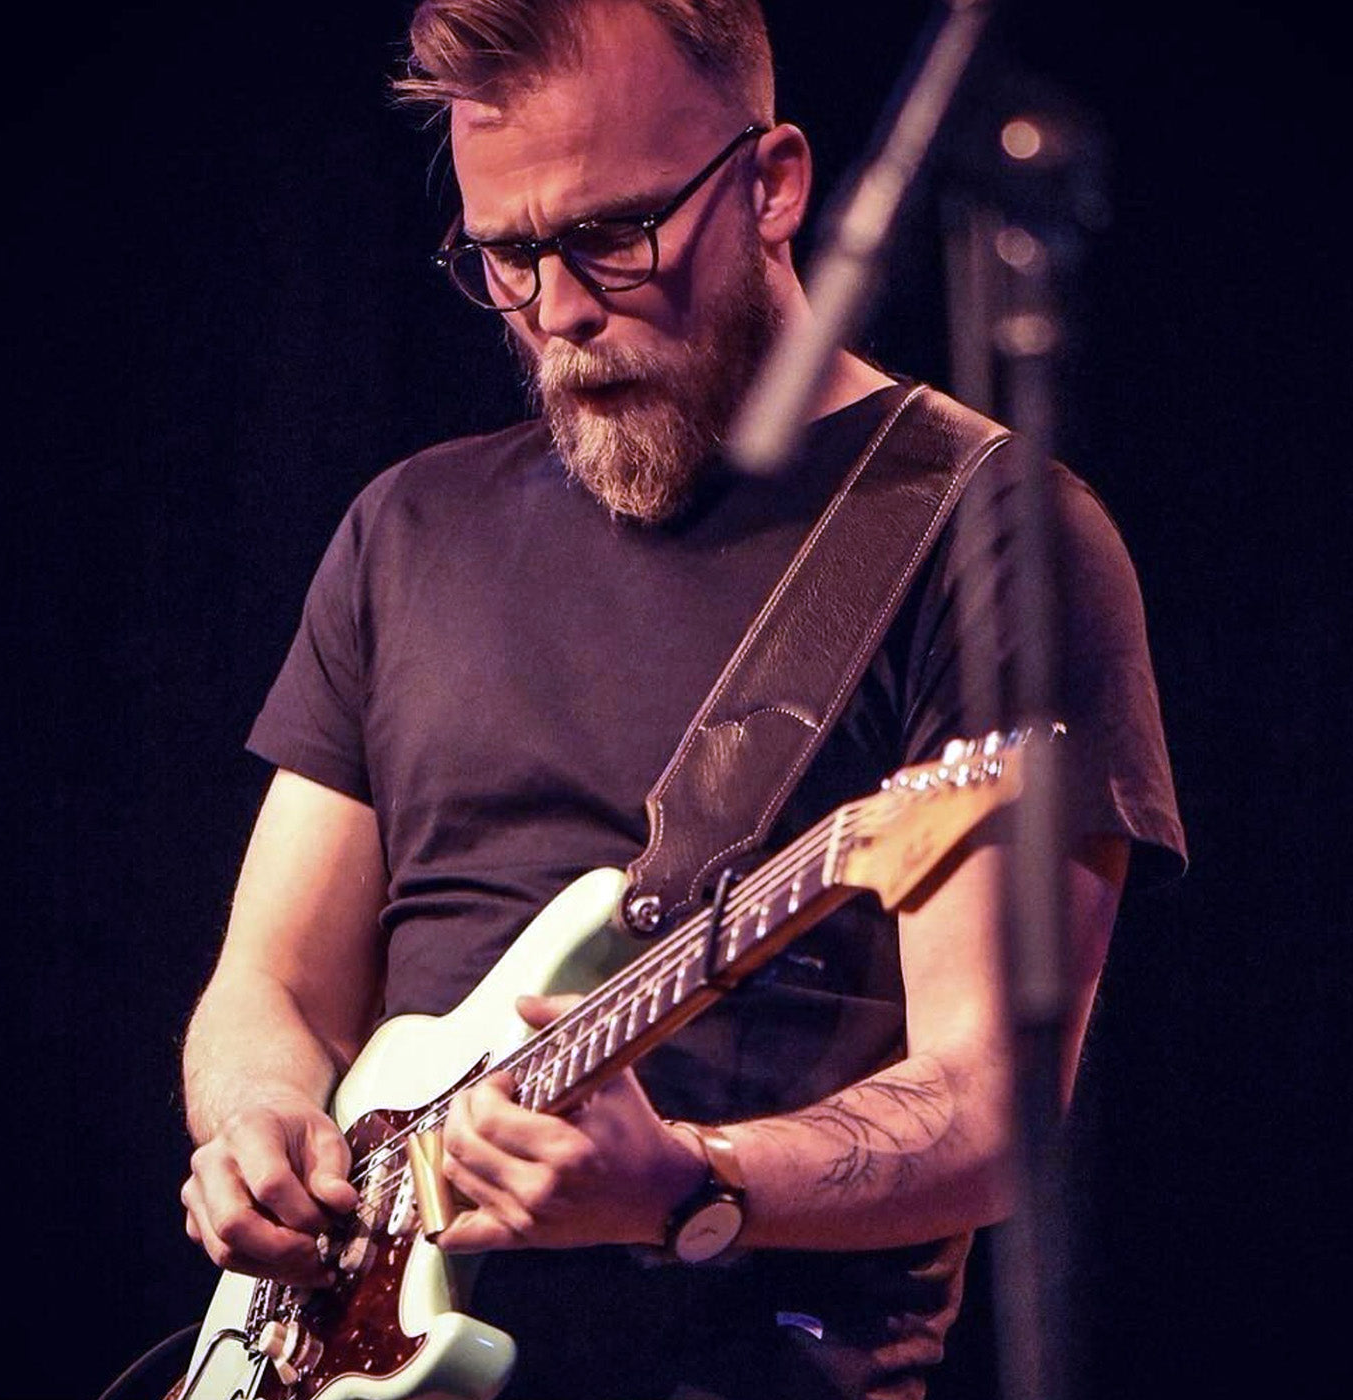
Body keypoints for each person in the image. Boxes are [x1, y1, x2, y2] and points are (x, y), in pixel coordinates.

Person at [178, 2, 1186, 1397]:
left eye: (611, 236)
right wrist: (256, 1121)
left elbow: (992, 1101)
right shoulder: (407, 528)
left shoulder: (985, 533)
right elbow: (269, 984)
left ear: (773, 184)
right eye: (507, 257)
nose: (560, 310)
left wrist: (689, 1186)